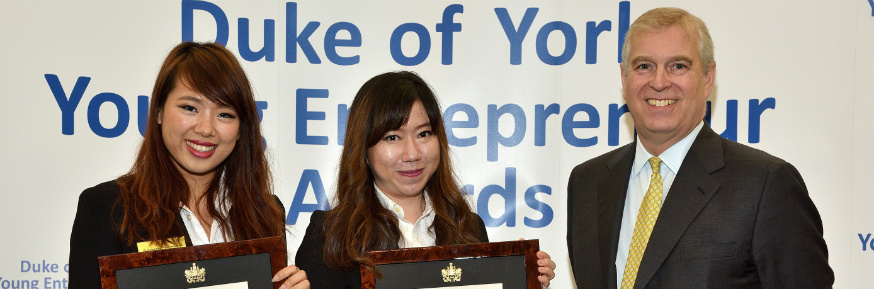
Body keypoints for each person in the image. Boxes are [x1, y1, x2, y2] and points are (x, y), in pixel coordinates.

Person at [566, 7, 834, 289]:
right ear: (624, 77)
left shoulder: (765, 185)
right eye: (644, 66)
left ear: (707, 78)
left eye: (678, 66)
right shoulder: (586, 183)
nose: (658, 83)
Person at [68, 42, 308, 289]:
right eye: (189, 108)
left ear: (241, 130)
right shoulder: (109, 207)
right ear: (158, 111)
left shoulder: (265, 212)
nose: (206, 129)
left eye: (225, 114)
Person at [295, 71, 556, 289]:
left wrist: (524, 280)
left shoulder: (469, 228)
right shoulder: (329, 235)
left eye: (423, 133)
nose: (412, 154)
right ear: (364, 148)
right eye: (392, 137)